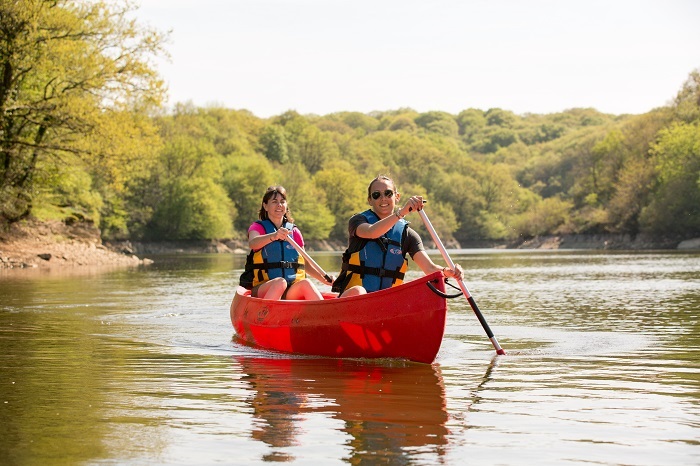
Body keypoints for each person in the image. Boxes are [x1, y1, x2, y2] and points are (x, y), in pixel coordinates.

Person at [332, 175, 464, 298]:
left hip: (386, 302)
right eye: (376, 195)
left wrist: (449, 272)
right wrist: (401, 213)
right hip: (353, 299)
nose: (383, 198)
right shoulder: (358, 221)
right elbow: (372, 232)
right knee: (359, 291)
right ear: (370, 200)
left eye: (388, 193)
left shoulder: (408, 235)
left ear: (397, 196)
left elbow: (429, 268)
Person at [239, 186, 329, 300]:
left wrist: (325, 280)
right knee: (279, 283)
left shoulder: (294, 231)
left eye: (282, 202)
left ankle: (323, 315)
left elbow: (306, 265)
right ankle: (265, 315)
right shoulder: (257, 227)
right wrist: (274, 236)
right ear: (265, 206)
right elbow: (253, 243)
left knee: (306, 283)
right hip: (264, 288)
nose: (279, 205)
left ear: (286, 206)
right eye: (274, 202)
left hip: (290, 289)